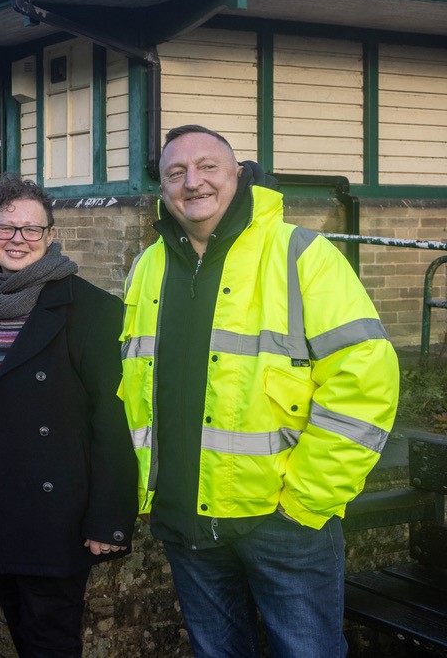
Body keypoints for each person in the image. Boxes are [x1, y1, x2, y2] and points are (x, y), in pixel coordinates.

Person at [120, 124, 399, 658]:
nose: (192, 182)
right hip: (185, 518)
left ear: (238, 176)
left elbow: (366, 381)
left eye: (208, 168)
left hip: (283, 523)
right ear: (162, 190)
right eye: (176, 172)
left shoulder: (302, 255)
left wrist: (305, 501)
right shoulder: (146, 267)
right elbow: (134, 387)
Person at [0, 175, 137, 657]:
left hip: (52, 518)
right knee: (22, 634)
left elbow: (114, 421)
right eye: (6, 228)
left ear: (51, 235)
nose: (18, 240)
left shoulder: (90, 310)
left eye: (32, 229)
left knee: (50, 641)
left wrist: (108, 519)